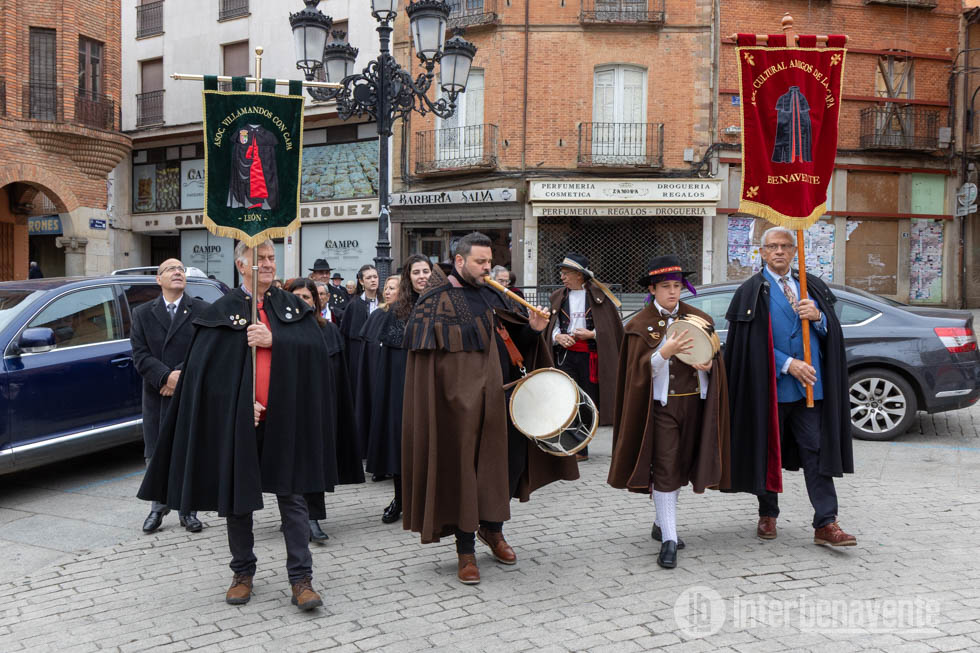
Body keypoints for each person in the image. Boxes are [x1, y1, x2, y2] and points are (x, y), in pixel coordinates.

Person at [138, 239, 342, 611]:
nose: (268, 264)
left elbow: (317, 354)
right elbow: (206, 376)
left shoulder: (293, 307)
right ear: (241, 265)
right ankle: (242, 572)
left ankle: (301, 579)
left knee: (293, 497)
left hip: (285, 419)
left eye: (271, 258)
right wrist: (238, 405)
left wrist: (275, 339)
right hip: (241, 420)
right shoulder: (221, 311)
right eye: (259, 258)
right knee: (237, 500)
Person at [402, 232, 579, 585]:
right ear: (459, 261)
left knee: (506, 467)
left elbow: (514, 344)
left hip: (505, 399)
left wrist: (534, 330)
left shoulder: (494, 294)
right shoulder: (435, 300)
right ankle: (465, 549)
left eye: (489, 262)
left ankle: (493, 529)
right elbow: (430, 369)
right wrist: (459, 397)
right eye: (480, 262)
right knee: (466, 473)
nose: (487, 268)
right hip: (460, 408)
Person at [723, 226, 856, 547]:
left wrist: (819, 318)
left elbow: (832, 335)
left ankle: (826, 522)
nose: (779, 251)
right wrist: (787, 364)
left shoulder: (812, 287)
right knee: (767, 450)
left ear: (795, 251)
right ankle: (768, 513)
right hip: (769, 389)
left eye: (785, 246)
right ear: (762, 252)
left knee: (817, 451)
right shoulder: (751, 292)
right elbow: (749, 345)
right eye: (773, 246)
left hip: (811, 390)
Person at [608, 255, 731, 569]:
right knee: (665, 468)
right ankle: (670, 540)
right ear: (652, 289)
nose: (673, 292)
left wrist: (709, 365)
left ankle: (661, 523)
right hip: (661, 408)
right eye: (665, 286)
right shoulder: (638, 325)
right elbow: (636, 372)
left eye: (677, 285)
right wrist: (664, 352)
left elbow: (715, 357)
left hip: (695, 404)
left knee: (681, 465)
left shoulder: (699, 318)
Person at [130, 259, 207, 534]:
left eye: (181, 269)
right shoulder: (142, 313)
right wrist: (165, 377)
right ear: (158, 280)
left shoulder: (201, 310)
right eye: (170, 269)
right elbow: (139, 354)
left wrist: (180, 377)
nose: (177, 272)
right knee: (157, 452)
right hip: (157, 394)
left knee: (188, 450)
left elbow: (205, 349)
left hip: (189, 391)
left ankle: (189, 510)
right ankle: (158, 507)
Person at [286, 277, 365, 544]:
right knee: (288, 464)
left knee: (313, 462)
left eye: (306, 297)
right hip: (286, 409)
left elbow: (338, 375)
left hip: (318, 409)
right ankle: (293, 514)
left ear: (316, 302)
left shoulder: (328, 330)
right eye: (296, 297)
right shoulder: (276, 330)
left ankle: (312, 517)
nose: (301, 302)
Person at [361, 257, 431, 524]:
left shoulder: (444, 304)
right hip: (404, 386)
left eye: (426, 271)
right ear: (408, 278)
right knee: (402, 443)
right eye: (416, 272)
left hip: (434, 385)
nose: (422, 276)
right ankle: (400, 499)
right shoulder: (398, 310)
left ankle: (429, 501)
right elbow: (391, 359)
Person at [547, 253, 624, 460]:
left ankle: (583, 446)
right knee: (568, 398)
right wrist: (558, 337)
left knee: (588, 401)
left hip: (591, 357)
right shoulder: (558, 297)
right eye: (562, 273)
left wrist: (592, 334)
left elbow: (612, 328)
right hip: (565, 356)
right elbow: (552, 326)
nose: (562, 277)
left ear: (580, 275)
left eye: (566, 273)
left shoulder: (600, 296)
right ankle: (576, 448)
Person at [355, 274, 400, 480]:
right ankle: (380, 465)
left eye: (393, 288)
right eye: (387, 288)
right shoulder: (377, 315)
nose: (387, 292)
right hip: (376, 374)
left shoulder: (405, 315)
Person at [339, 264, 380, 450]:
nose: (373, 280)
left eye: (375, 276)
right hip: (358, 356)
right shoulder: (354, 305)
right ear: (361, 281)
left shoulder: (384, 302)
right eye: (369, 277)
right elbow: (346, 336)